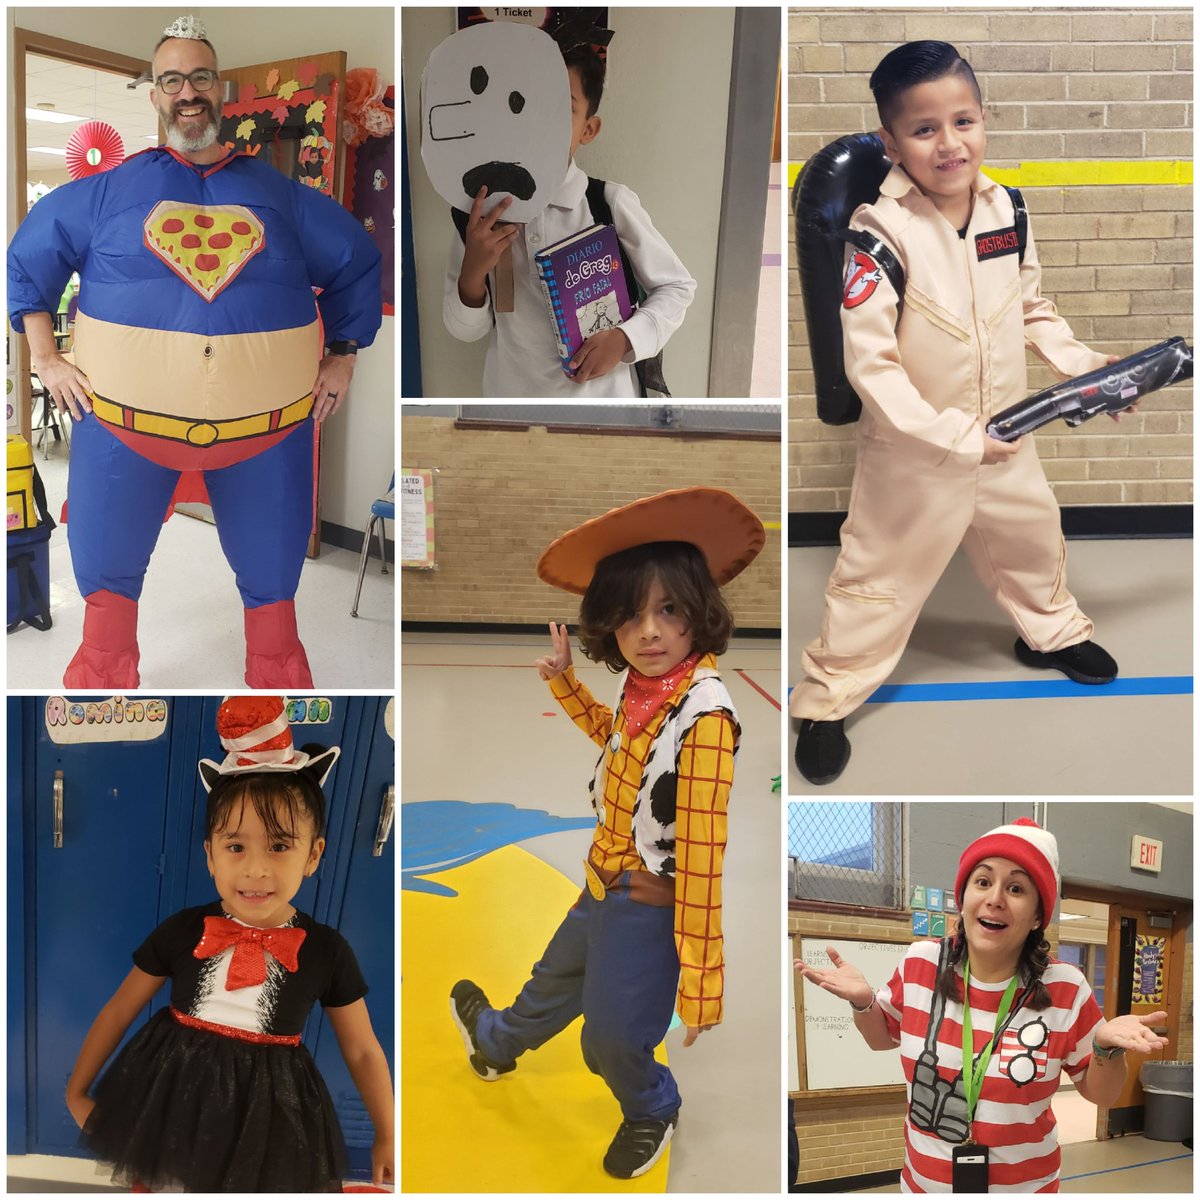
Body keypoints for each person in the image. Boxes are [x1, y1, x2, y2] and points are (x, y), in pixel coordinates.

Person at [7, 14, 382, 689]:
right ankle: (104, 672)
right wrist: (44, 356)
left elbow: (357, 260)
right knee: (107, 561)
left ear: (221, 89)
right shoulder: (105, 193)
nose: (188, 92)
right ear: (154, 94)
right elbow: (29, 262)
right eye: (172, 79)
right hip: (126, 429)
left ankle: (276, 675)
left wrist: (345, 353)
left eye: (200, 77)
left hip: (265, 434)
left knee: (272, 567)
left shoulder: (281, 197)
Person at [790, 41, 1130, 786]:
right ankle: (825, 699)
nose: (950, 144)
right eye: (924, 129)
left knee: (1033, 542)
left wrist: (1082, 367)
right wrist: (951, 436)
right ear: (890, 142)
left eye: (964, 121)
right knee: (875, 579)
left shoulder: (1007, 209)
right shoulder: (878, 234)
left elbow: (1032, 308)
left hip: (1008, 436)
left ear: (983, 120)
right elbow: (871, 367)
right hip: (916, 456)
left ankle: (1050, 635)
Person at [449, 487, 765, 1178]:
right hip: (599, 882)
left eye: (668, 610)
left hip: (646, 903)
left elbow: (705, 857)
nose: (648, 631)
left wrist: (703, 981)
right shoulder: (647, 686)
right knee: (551, 982)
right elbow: (618, 746)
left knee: (612, 1040)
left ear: (699, 613)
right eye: (630, 616)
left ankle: (651, 1105)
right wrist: (566, 685)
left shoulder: (704, 716)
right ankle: (496, 1041)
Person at [66, 696, 394, 1191]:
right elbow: (119, 1010)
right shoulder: (181, 930)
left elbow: (364, 1052)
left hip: (269, 1122)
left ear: (314, 854)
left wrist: (387, 1133)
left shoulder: (327, 951)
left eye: (280, 846)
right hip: (169, 1103)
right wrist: (76, 1091)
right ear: (210, 856)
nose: (256, 869)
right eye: (236, 846)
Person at [797, 818, 1168, 1193]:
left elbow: (1102, 1095)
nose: (995, 898)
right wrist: (863, 1003)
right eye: (983, 881)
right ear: (964, 897)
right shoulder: (921, 963)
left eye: (1017, 888)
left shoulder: (1065, 987)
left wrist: (1106, 1048)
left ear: (1038, 915)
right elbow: (880, 1038)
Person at [443, 31, 696, 397]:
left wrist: (625, 338)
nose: (538, 120)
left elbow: (677, 287)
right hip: (513, 412)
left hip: (605, 413)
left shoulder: (607, 203)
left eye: (561, 106)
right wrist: (471, 275)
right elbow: (465, 331)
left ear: (588, 129)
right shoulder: (477, 215)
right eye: (521, 102)